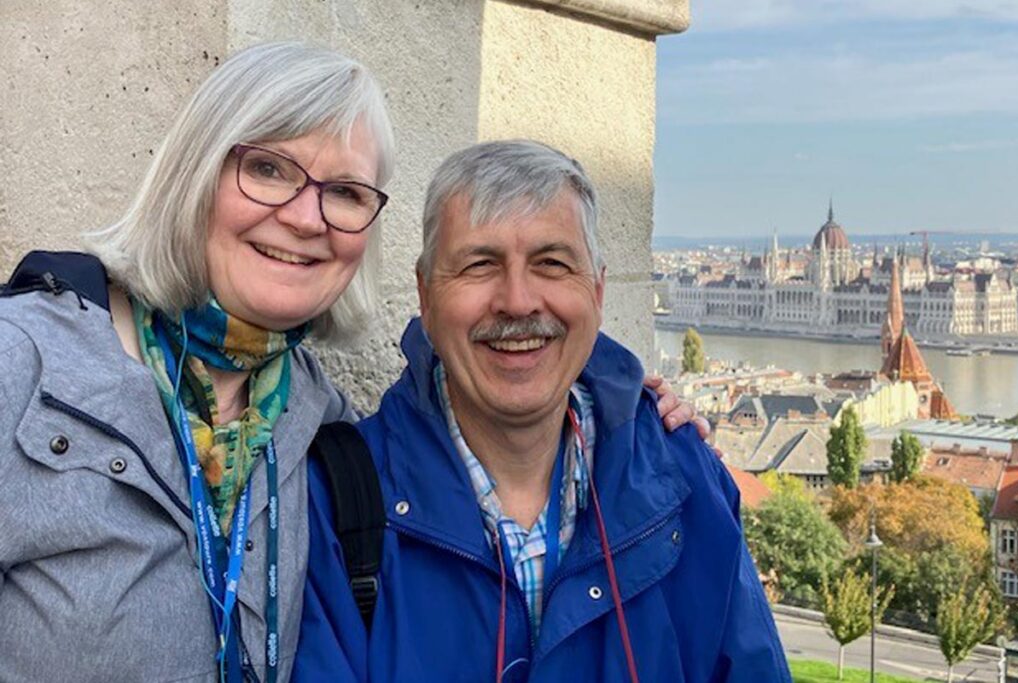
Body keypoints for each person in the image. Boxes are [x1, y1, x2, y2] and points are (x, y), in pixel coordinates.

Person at [0, 44, 697, 683]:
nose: (308, 217)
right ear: (195, 173)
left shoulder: (323, 433)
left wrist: (623, 402)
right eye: (269, 168)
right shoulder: (25, 365)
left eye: (345, 192)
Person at [298, 140, 791, 682]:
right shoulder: (335, 505)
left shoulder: (684, 478)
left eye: (552, 264)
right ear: (425, 294)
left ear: (598, 291)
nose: (518, 301)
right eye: (479, 265)